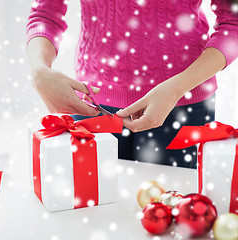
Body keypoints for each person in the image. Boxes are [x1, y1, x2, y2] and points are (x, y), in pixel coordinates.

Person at [26, 0, 238, 168]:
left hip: (183, 103)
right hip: (91, 105)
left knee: (174, 210)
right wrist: (39, 70)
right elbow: (45, 13)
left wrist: (176, 88)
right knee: (92, 214)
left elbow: (233, 23)